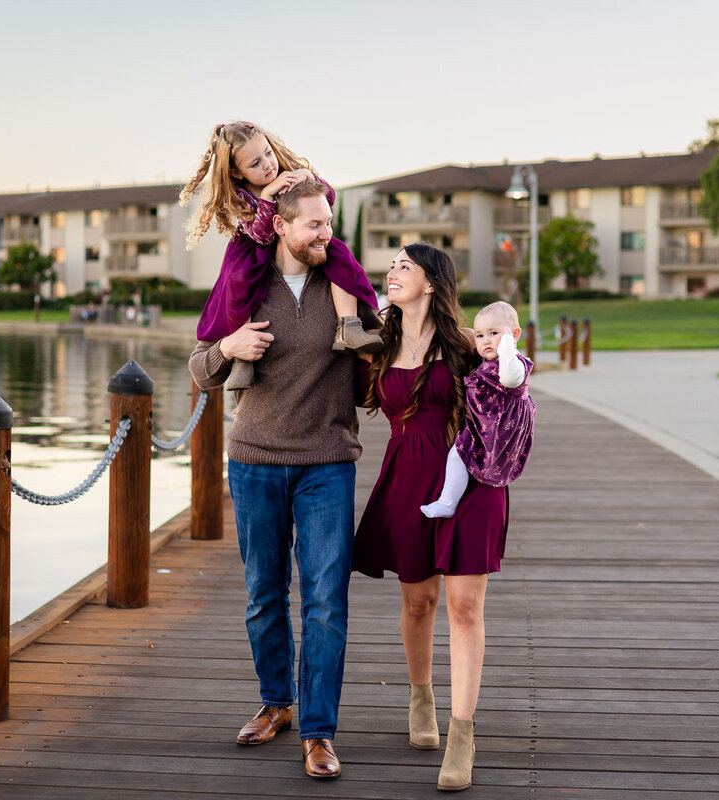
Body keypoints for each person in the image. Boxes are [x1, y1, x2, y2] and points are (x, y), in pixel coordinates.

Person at [189, 179, 377, 781]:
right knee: (263, 595)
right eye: (315, 226)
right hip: (255, 461)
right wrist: (229, 346)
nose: (327, 235)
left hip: (327, 461)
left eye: (330, 223)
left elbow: (383, 351)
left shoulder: (342, 284)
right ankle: (277, 704)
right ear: (281, 227)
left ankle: (319, 734)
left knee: (326, 601)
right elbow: (200, 367)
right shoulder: (246, 284)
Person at [354, 243, 510, 792]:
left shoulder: (468, 347)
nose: (391, 273)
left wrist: (508, 352)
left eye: (403, 266)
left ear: (430, 283)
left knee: (465, 607)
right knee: (418, 601)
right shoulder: (379, 343)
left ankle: (463, 736)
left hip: (470, 481)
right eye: (391, 266)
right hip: (406, 477)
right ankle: (421, 699)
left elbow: (513, 389)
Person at [181, 121, 380, 390]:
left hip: (332, 430)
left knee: (341, 256)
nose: (267, 165)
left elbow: (325, 197)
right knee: (239, 280)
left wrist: (309, 178)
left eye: (268, 153)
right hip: (252, 251)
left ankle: (348, 326)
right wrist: (267, 197)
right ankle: (244, 358)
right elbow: (262, 236)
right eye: (254, 163)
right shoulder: (240, 197)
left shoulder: (288, 175)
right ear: (236, 172)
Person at [420, 301, 535, 518]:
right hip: (481, 424)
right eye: (480, 336)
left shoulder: (515, 363)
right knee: (457, 455)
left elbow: (509, 378)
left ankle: (449, 502)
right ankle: (447, 502)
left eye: (494, 333)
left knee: (473, 457)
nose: (486, 340)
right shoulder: (485, 361)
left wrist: (508, 347)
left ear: (515, 334)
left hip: (501, 428)